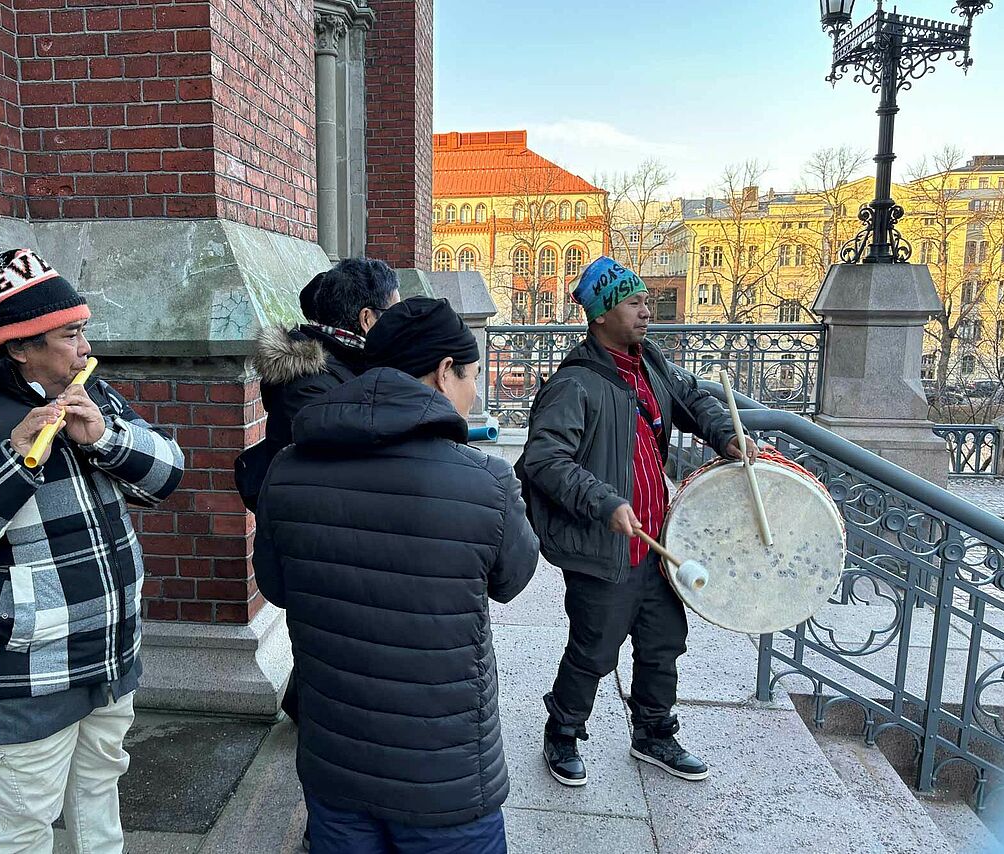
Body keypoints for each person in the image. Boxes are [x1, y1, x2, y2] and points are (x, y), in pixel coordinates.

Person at [0, 240, 184, 854]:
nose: (86, 348)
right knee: (24, 825)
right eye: (69, 334)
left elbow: (167, 477)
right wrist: (14, 459)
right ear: (20, 346)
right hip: (22, 667)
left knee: (99, 797)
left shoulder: (97, 397)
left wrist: (105, 439)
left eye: (83, 331)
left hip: (109, 653)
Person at [254, 297, 539, 853]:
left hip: (335, 767)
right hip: (446, 780)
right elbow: (513, 579)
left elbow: (275, 586)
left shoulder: (287, 470)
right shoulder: (485, 481)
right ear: (442, 373)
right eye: (472, 375)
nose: (474, 393)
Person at [519, 257, 756, 787]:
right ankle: (562, 731)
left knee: (664, 641)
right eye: (635, 302)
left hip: (658, 541)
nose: (648, 311)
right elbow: (544, 460)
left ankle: (653, 734)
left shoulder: (650, 363)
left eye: (646, 300)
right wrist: (603, 501)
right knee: (594, 649)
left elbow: (693, 399)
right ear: (601, 315)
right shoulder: (574, 384)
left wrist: (724, 435)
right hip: (605, 546)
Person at [255, 258, 402, 451]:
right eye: (395, 314)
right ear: (366, 318)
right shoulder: (308, 387)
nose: (400, 322)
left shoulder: (351, 362)